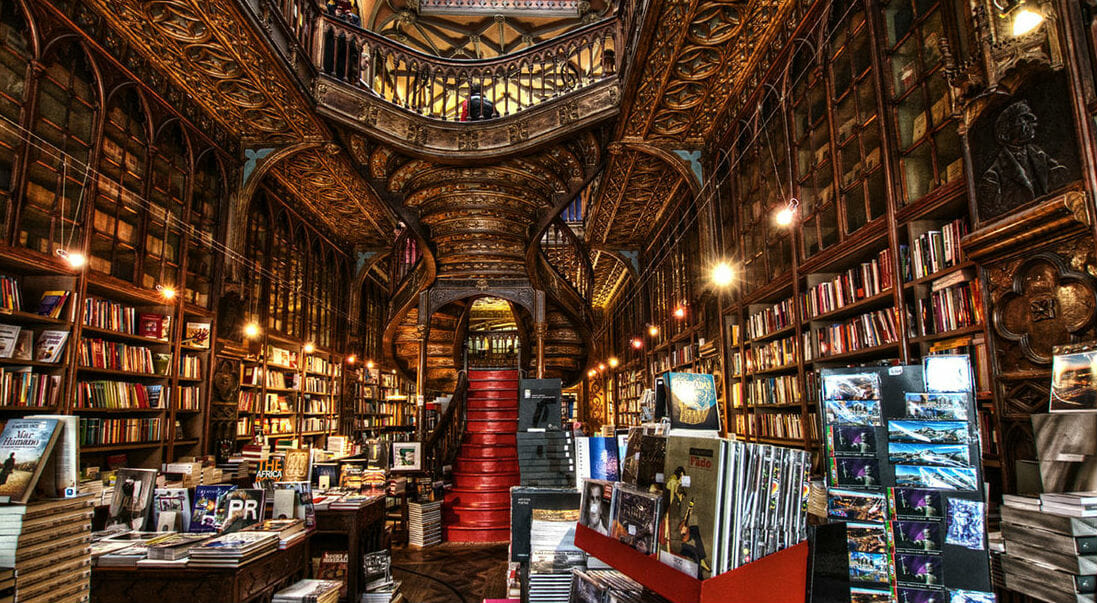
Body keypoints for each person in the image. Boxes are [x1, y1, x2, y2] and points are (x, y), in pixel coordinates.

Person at [979, 100, 1068, 215]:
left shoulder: (1039, 155)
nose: (1032, 125)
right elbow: (992, 213)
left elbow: (1061, 176)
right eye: (1024, 120)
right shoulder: (993, 176)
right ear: (1008, 128)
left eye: (1031, 121)